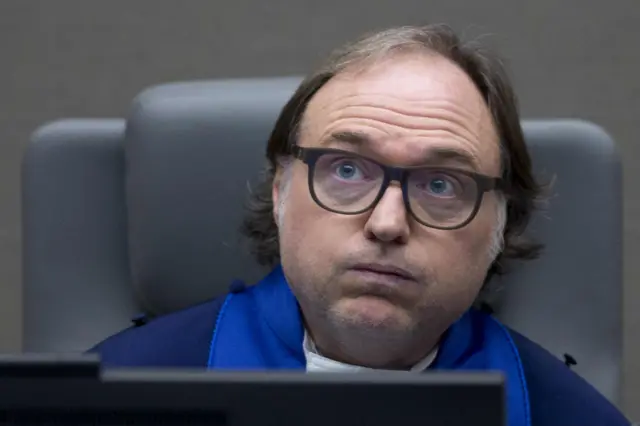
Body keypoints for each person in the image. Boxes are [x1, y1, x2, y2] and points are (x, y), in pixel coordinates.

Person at [92, 25, 630, 425]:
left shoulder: (571, 417)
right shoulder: (110, 397)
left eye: (441, 184)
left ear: (501, 224)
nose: (387, 223)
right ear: (281, 192)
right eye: (346, 170)